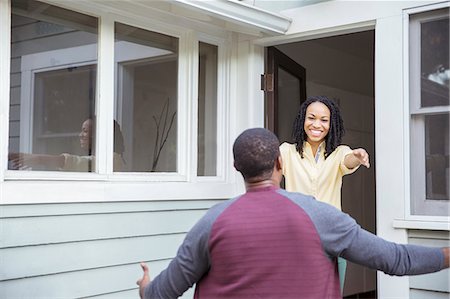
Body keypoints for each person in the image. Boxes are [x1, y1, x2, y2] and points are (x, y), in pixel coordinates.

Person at [136, 128, 449, 299]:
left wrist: (145, 287)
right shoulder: (320, 217)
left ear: (237, 169)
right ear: (280, 164)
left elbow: (160, 294)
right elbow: (396, 260)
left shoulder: (211, 222)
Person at [280, 95, 370, 290]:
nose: (316, 124)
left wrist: (357, 155)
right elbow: (267, 171)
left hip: (331, 238)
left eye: (324, 120)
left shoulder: (339, 153)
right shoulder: (287, 152)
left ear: (332, 124)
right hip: (297, 237)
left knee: (330, 291)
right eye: (311, 118)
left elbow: (348, 161)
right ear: (302, 119)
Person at [8, 118, 125, 172]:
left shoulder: (113, 159)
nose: (80, 135)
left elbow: (76, 162)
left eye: (85, 131)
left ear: (99, 135)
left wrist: (38, 159)